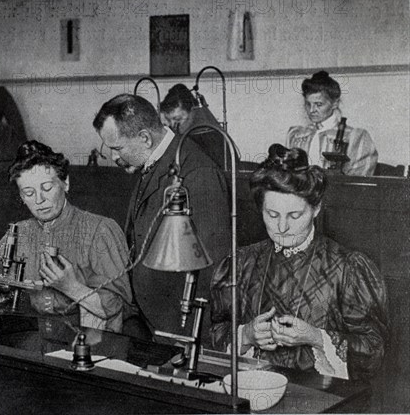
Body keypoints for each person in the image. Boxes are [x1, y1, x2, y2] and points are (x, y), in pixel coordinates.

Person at [209, 144, 388, 380]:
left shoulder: (347, 268)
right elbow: (212, 334)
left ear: (316, 209)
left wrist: (315, 337)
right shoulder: (241, 262)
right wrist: (246, 335)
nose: (282, 227)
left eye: (294, 215)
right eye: (272, 215)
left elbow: (375, 351)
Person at [93, 94, 230, 340]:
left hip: (181, 330)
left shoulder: (198, 172)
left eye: (117, 148)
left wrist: (192, 336)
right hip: (152, 325)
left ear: (145, 138)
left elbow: (213, 267)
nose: (113, 157)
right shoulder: (154, 163)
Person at [0, 141, 135, 333]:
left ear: (65, 183)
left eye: (47, 188)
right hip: (27, 337)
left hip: (83, 342)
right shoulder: (17, 234)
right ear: (21, 197)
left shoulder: (101, 230)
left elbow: (119, 308)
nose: (39, 200)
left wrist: (71, 287)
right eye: (29, 193)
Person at [286, 71, 378, 176]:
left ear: (335, 104)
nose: (312, 110)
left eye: (319, 104)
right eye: (308, 104)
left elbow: (357, 184)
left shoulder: (355, 137)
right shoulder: (296, 135)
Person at [160, 83, 237, 170]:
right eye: (169, 120)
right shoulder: (186, 136)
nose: (173, 126)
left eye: (178, 119)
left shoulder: (207, 137)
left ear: (193, 111)